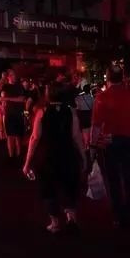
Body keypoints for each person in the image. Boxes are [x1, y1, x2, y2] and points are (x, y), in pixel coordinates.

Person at [23, 83, 87, 233]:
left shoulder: (42, 112)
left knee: (48, 188)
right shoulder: (70, 111)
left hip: (47, 155)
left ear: (48, 94)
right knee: (69, 185)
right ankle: (71, 218)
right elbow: (76, 136)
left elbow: (35, 137)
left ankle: (55, 222)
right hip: (67, 153)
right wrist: (83, 156)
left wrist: (27, 162)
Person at [90, 65, 130, 228]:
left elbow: (96, 126)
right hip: (129, 141)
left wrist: (93, 146)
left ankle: (117, 216)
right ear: (122, 78)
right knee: (128, 178)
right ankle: (129, 214)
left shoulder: (101, 97)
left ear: (107, 78)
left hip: (110, 142)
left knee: (113, 179)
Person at [0, 70, 27, 160]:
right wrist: (3, 78)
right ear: (8, 77)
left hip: (18, 113)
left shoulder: (20, 87)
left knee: (18, 136)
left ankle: (19, 155)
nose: (15, 76)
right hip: (9, 114)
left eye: (15, 75)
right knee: (10, 136)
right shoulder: (6, 86)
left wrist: (7, 98)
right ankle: (11, 156)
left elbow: (22, 99)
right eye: (12, 75)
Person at [75, 85, 94, 150]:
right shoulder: (91, 98)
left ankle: (86, 145)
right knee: (89, 130)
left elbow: (77, 107)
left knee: (84, 130)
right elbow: (93, 107)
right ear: (89, 90)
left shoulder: (79, 98)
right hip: (89, 115)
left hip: (82, 115)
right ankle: (89, 144)